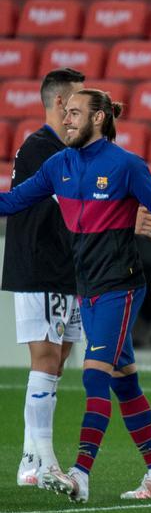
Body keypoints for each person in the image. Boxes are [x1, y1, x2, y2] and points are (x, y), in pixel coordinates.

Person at [0, 89, 151, 503]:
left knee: (94, 373)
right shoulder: (58, 165)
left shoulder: (125, 166)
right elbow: (12, 201)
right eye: (64, 113)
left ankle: (80, 474)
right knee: (124, 380)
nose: (65, 120)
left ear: (99, 118)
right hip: (84, 288)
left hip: (120, 287)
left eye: (74, 113)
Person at [6, 68, 85, 489]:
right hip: (40, 266)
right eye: (75, 103)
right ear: (59, 103)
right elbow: (71, 205)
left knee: (57, 363)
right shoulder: (43, 148)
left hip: (64, 269)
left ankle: (32, 459)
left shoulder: (63, 147)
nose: (79, 111)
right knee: (46, 361)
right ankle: (41, 460)